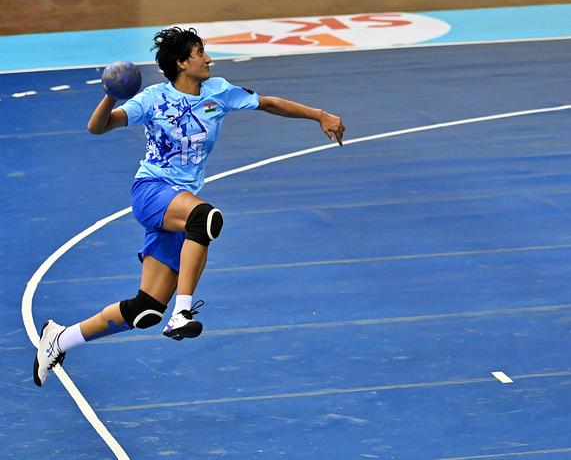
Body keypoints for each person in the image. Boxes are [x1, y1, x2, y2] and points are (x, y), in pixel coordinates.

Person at [33, 27, 346, 387]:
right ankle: (182, 312)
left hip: (176, 205)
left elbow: (270, 103)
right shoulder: (152, 99)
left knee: (146, 308)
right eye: (200, 53)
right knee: (205, 218)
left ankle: (59, 338)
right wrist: (110, 95)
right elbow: (97, 127)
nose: (208, 58)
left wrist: (319, 114)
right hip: (152, 191)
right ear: (182, 63)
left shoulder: (218, 93)